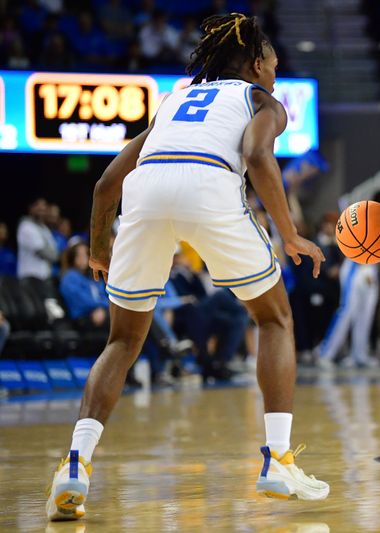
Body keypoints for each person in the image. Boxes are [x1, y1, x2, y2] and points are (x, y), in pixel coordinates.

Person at [46, 14, 329, 522]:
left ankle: (75, 466)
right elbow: (258, 157)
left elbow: (106, 185)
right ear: (255, 63)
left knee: (123, 340)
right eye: (273, 65)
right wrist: (289, 235)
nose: (275, 75)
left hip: (145, 191)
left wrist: (97, 250)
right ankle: (279, 459)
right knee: (274, 318)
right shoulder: (260, 101)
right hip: (208, 186)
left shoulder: (174, 102)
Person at [17, 198, 58, 280]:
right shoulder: (26, 226)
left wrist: (55, 254)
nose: (41, 209)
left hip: (43, 277)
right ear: (31, 208)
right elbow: (42, 252)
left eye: (43, 208)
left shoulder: (44, 228)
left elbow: (54, 250)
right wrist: (56, 256)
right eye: (38, 207)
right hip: (30, 277)